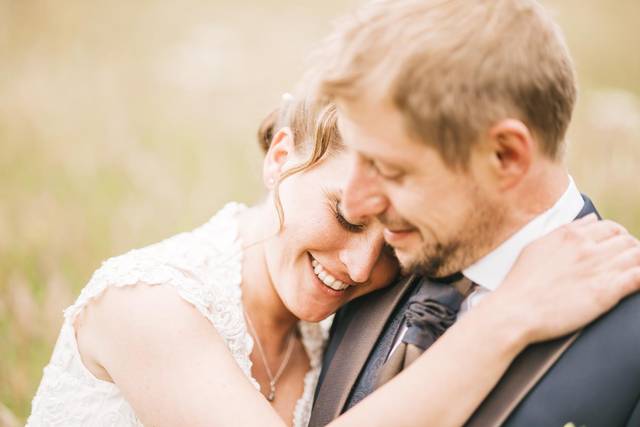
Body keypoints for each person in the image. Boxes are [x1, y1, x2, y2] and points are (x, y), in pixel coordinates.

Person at [27, 88, 639, 427]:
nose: (355, 265)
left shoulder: (336, 325)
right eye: (346, 216)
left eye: (395, 240)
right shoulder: (148, 306)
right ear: (280, 157)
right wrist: (514, 315)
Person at [308, 1, 640, 426]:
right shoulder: (360, 268)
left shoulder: (630, 338)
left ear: (505, 155)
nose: (355, 206)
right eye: (357, 156)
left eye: (390, 170)